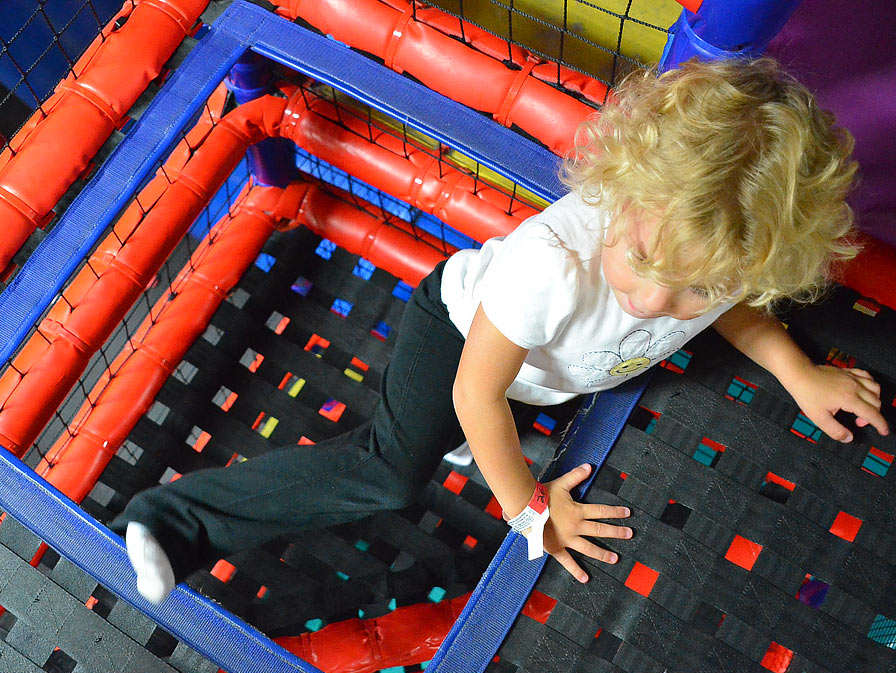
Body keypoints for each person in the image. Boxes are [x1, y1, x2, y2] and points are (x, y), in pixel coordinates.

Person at [112, 56, 889, 604]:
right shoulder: (549, 268)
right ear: (623, 194)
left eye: (699, 286)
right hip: (460, 340)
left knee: (499, 419)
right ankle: (174, 521)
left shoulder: (720, 252)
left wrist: (798, 370)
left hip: (539, 374)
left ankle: (471, 441)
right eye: (645, 257)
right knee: (391, 469)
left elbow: (739, 307)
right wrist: (531, 509)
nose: (656, 301)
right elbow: (475, 390)